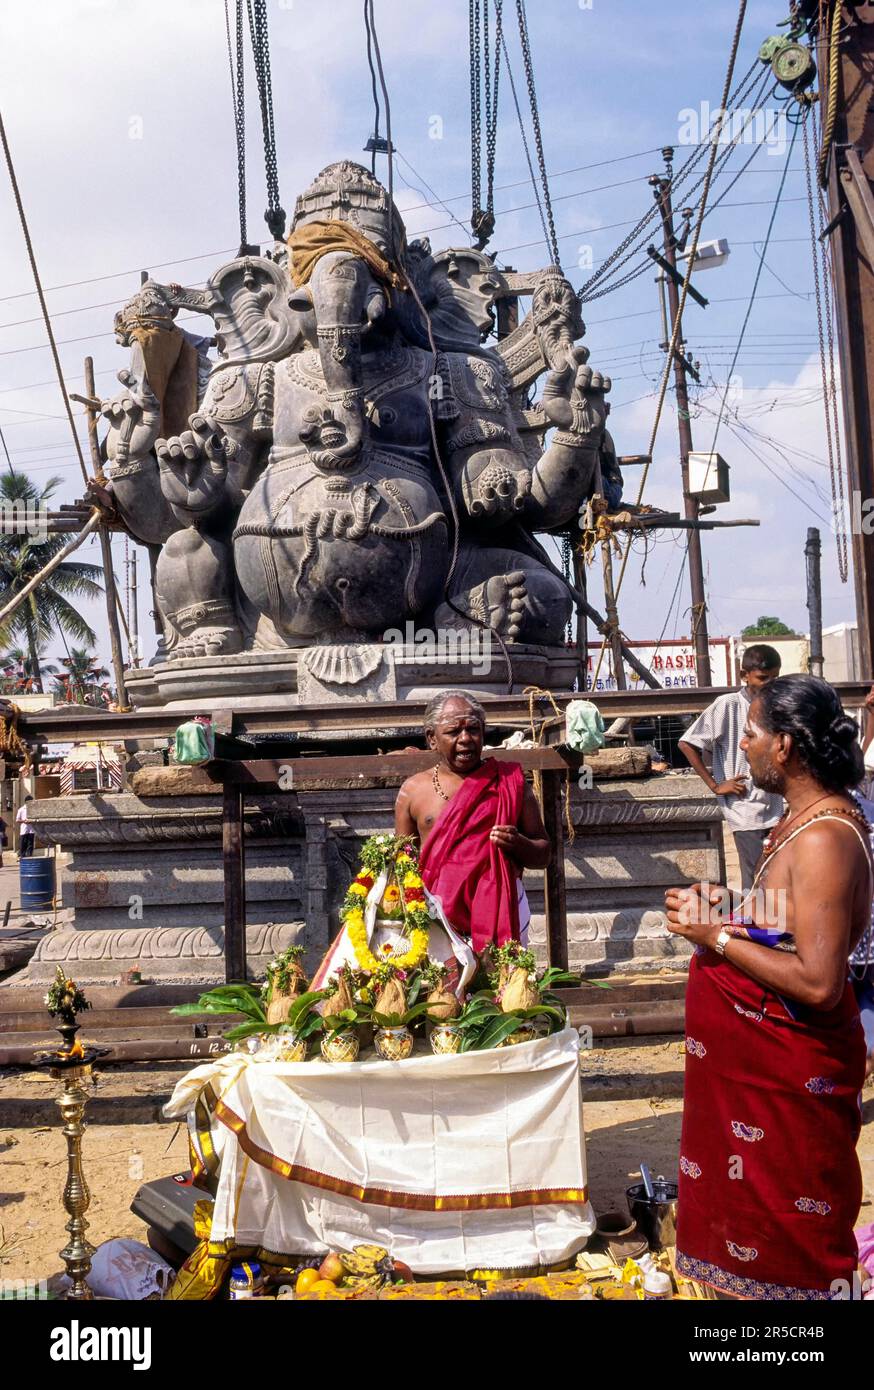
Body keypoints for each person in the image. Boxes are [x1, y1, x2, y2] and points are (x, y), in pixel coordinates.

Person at [665, 674, 871, 1300]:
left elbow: (817, 980)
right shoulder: (799, 820)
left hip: (791, 1083)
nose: (743, 749)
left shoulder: (827, 839)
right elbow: (788, 918)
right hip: (754, 1088)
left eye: (751, 735)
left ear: (784, 747)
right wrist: (731, 907)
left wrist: (717, 939)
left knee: (791, 1262)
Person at [394, 691, 550, 951]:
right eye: (453, 732)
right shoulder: (413, 791)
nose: (465, 739)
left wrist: (517, 843)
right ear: (432, 739)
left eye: (473, 730)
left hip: (503, 912)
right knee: (441, 992)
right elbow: (401, 869)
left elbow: (544, 855)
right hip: (435, 919)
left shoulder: (510, 782)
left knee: (504, 990)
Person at [679, 643, 783, 891]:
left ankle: (771, 925)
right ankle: (755, 926)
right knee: (757, 877)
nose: (769, 683)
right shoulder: (728, 705)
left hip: (775, 804)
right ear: (744, 676)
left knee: (776, 876)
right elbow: (687, 743)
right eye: (763, 678)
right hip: (746, 807)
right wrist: (716, 785)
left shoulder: (775, 705)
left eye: (775, 678)